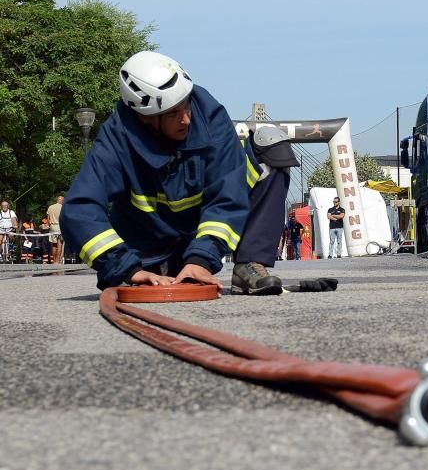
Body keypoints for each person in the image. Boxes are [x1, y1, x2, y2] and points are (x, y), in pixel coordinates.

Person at [61, 51, 297, 295]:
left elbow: (227, 196)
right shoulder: (116, 140)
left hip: (200, 235)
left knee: (271, 146)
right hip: (149, 250)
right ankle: (155, 267)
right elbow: (79, 209)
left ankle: (249, 263)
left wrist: (202, 259)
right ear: (144, 117)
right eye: (173, 113)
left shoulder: (211, 116)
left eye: (186, 107)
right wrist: (124, 268)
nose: (185, 119)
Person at [46, 195, 64, 264]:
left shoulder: (51, 207)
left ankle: (54, 261)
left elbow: (48, 218)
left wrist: (50, 225)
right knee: (60, 244)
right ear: (61, 200)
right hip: (59, 226)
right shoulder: (62, 207)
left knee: (54, 244)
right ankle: (57, 261)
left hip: (52, 227)